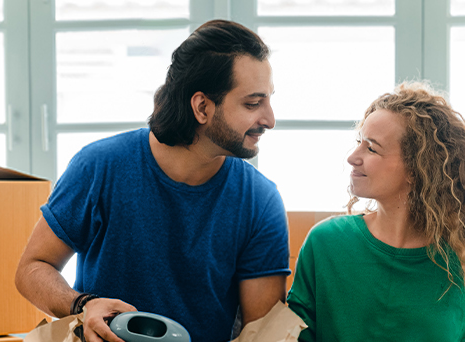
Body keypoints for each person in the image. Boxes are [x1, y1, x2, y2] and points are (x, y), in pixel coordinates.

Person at [15, 19, 289, 342]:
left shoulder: (261, 201)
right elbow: (31, 269)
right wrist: (82, 304)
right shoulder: (99, 167)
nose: (270, 119)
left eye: (269, 100)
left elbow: (262, 335)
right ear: (202, 107)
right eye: (253, 104)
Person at [285, 82, 465, 341]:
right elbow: (294, 335)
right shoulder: (325, 244)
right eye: (359, 142)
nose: (352, 157)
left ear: (418, 169)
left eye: (371, 148)